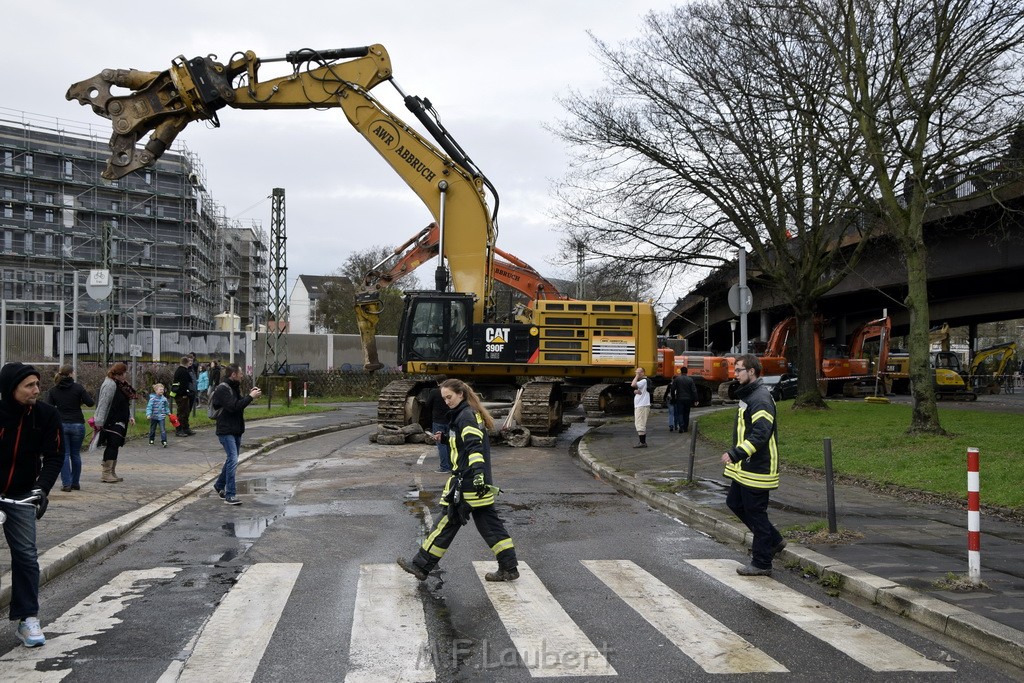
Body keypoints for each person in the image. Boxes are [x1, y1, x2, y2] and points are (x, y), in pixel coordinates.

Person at [397, 378, 519, 583]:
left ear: (460, 394)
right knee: (491, 526)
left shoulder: (465, 416)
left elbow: (473, 447)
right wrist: (444, 438)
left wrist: (477, 475)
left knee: (446, 523)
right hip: (478, 483)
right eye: (444, 398)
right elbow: (464, 442)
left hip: (469, 482)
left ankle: (420, 565)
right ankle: (509, 567)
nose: (447, 401)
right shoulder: (466, 414)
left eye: (449, 397)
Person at [0, 362, 63, 647]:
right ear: (11, 389)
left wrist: (41, 489)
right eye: (29, 385)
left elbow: (54, 456)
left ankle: (27, 618)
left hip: (22, 495)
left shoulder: (46, 415)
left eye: (38, 384)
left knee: (26, 556)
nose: (36, 390)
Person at [720, 354, 785, 576]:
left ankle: (762, 562)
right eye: (735, 370)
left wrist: (736, 453)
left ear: (752, 372)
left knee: (756, 513)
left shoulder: (760, 398)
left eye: (739, 370)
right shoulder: (750, 394)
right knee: (735, 503)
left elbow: (760, 434)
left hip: (758, 467)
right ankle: (773, 540)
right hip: (746, 467)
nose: (734, 374)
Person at [211, 364, 261, 506]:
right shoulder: (222, 389)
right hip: (225, 430)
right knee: (233, 459)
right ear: (233, 374)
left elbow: (238, 404)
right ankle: (230, 494)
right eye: (240, 373)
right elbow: (233, 407)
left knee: (231, 460)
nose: (242, 375)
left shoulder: (234, 387)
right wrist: (250, 397)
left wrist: (249, 396)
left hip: (235, 429)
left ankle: (219, 485)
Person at [43, 365, 94, 492]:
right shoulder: (78, 388)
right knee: (75, 454)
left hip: (61, 424)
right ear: (70, 374)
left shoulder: (54, 390)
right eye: (74, 372)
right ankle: (75, 482)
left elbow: (48, 407)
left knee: (64, 454)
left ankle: (66, 484)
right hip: (77, 424)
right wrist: (79, 401)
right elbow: (90, 403)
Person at [93, 362, 138, 484]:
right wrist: (99, 422)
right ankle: (106, 473)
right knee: (112, 445)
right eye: (124, 373)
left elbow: (124, 403)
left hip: (120, 419)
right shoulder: (110, 384)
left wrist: (130, 416)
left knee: (116, 445)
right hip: (111, 421)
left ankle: (112, 471)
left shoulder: (120, 385)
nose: (125, 375)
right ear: (119, 373)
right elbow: (103, 403)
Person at [423, 375, 451, 473]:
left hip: (438, 421)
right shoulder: (451, 393)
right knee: (450, 442)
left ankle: (444, 467)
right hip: (450, 421)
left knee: (441, 444)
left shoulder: (434, 392)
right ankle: (452, 465)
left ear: (437, 382)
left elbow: (427, 406)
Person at [668, 366, 699, 433]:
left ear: (681, 372)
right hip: (688, 399)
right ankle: (685, 427)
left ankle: (681, 426)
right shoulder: (690, 380)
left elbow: (673, 389)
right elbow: (694, 390)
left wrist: (673, 398)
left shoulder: (677, 379)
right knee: (686, 413)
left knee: (680, 413)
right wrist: (696, 399)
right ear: (687, 372)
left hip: (679, 398)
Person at [171, 356, 195, 436]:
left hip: (180, 394)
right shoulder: (183, 371)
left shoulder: (180, 370)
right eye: (189, 362)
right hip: (182, 395)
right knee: (181, 413)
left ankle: (185, 428)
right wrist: (186, 394)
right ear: (187, 362)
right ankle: (179, 430)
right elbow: (184, 385)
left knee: (185, 412)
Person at [631, 367, 651, 448]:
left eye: (638, 372)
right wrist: (635, 391)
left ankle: (642, 442)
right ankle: (642, 442)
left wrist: (636, 376)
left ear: (642, 373)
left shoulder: (644, 380)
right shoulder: (644, 382)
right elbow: (638, 389)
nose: (636, 373)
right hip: (641, 405)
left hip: (642, 406)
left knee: (640, 423)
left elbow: (633, 384)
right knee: (640, 423)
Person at [145, 383, 171, 447]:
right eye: (160, 389)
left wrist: (168, 413)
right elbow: (149, 407)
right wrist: (148, 414)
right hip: (154, 417)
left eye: (163, 389)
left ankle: (164, 441)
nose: (162, 391)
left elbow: (166, 407)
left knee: (163, 430)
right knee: (152, 429)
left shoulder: (164, 399)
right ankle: (151, 440)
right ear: (156, 391)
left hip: (161, 417)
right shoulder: (152, 399)